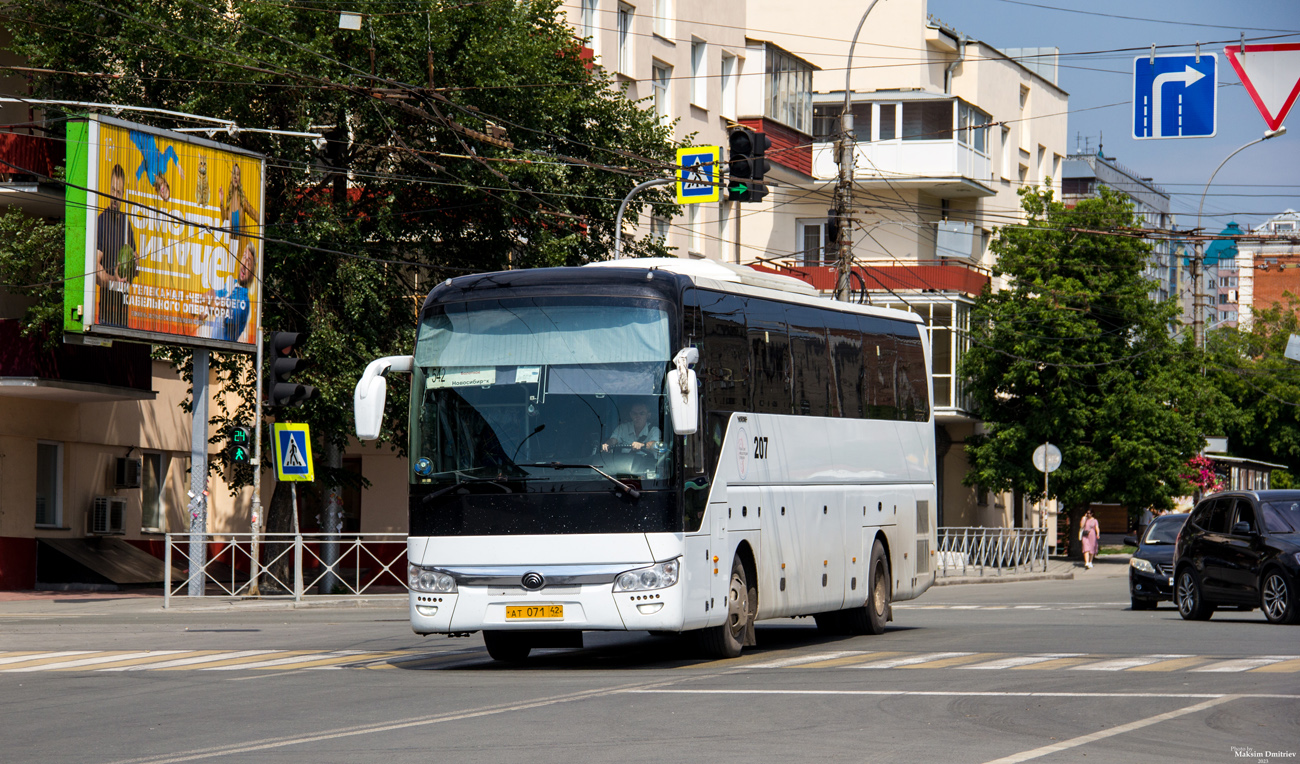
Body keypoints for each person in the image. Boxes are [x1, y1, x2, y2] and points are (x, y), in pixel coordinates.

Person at [95, 164, 136, 327]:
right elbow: (96, 267)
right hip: (106, 313)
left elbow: (135, 258)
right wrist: (114, 280)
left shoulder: (126, 224)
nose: (114, 196)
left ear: (123, 194)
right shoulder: (101, 221)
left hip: (124, 314)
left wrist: (133, 263)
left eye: (118, 192)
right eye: (112, 190)